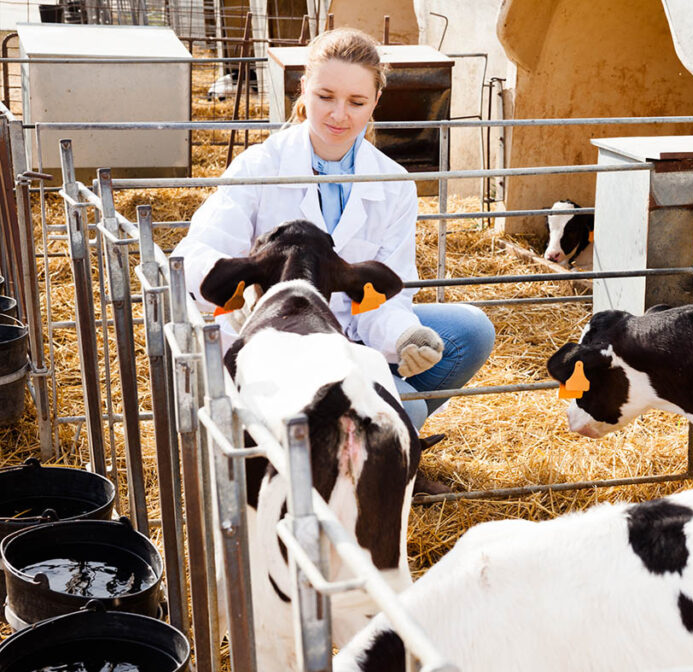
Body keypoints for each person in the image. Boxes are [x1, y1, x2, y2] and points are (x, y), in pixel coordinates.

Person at [173, 27, 494, 492]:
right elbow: (196, 253)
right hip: (277, 342)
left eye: (357, 102)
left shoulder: (394, 183)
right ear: (304, 87)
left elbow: (389, 289)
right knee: (410, 409)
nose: (339, 115)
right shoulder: (260, 167)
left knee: (471, 331)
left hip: (349, 332)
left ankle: (364, 438)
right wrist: (238, 293)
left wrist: (402, 335)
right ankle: (378, 446)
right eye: (325, 95)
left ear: (376, 102)